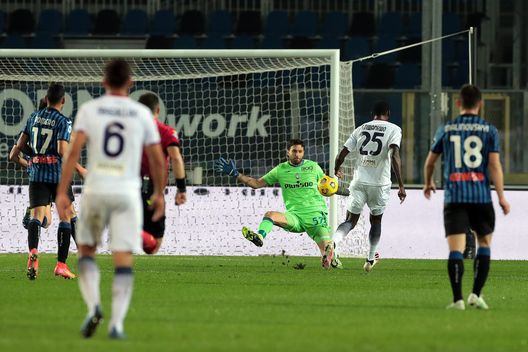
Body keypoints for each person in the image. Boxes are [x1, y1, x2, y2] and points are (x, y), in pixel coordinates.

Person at [56, 59, 166, 339]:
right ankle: (116, 324)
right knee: (123, 258)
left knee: (87, 251)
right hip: (127, 192)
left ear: (103, 82)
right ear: (130, 83)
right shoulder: (141, 114)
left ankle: (94, 307)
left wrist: (61, 191)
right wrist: (159, 193)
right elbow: (156, 158)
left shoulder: (90, 111)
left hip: (96, 188)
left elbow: (73, 152)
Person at [423, 84, 510, 310]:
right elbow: (494, 165)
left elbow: (430, 162)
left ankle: (458, 300)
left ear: (458, 103)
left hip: (455, 197)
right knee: (484, 244)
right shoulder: (489, 130)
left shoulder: (447, 128)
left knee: (455, 249)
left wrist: (427, 183)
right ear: (480, 104)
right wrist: (501, 197)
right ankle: (476, 295)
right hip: (481, 197)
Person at [215, 139, 336, 270]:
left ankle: (329, 258)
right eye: (294, 151)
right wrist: (236, 174)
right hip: (295, 217)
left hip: (316, 216)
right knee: (270, 215)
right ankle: (259, 237)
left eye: (300, 151)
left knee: (327, 251)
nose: (297, 154)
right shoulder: (280, 170)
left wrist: (338, 183)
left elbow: (327, 185)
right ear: (288, 152)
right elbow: (256, 184)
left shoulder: (314, 167)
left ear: (303, 152)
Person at [12, 85, 79, 280]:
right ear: (63, 100)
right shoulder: (63, 121)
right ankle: (62, 263)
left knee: (41, 218)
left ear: (46, 98)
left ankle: (33, 251)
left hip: (36, 174)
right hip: (57, 175)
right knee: (67, 216)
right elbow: (61, 149)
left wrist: (32, 161)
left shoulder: (33, 117)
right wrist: (80, 168)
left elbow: (17, 150)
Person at [332, 101, 406, 272]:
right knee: (376, 220)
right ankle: (370, 258)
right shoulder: (394, 129)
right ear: (387, 113)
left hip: (358, 182)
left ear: (373, 114)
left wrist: (337, 169)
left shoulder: (361, 128)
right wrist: (401, 185)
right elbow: (395, 155)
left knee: (350, 220)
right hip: (379, 184)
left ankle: (334, 242)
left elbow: (341, 154)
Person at [138, 92, 187, 254]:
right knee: (154, 245)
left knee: (147, 242)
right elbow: (176, 158)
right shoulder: (166, 132)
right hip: (153, 188)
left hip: (128, 185)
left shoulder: (128, 131)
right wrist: (181, 188)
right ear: (158, 110)